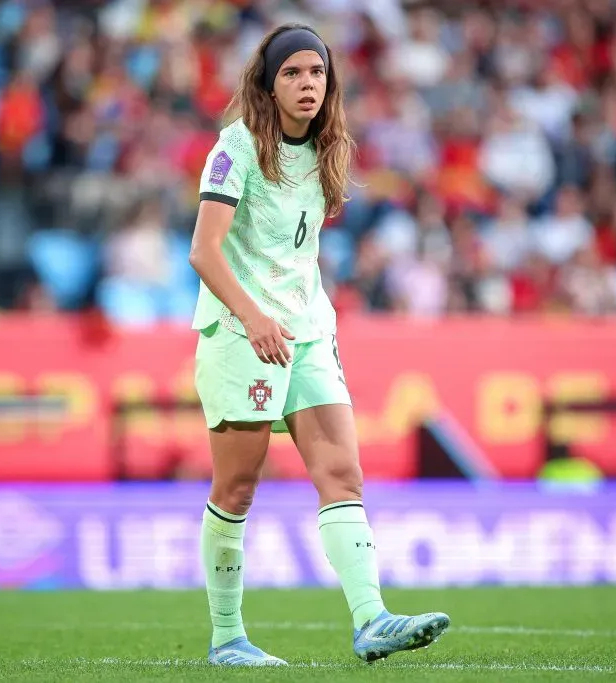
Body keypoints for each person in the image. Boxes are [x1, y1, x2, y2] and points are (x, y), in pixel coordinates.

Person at [188, 23, 450, 667]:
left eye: (317, 73)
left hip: (308, 332)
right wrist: (253, 318)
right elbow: (204, 250)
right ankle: (227, 638)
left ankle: (372, 620)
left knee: (342, 474)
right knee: (238, 487)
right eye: (292, 74)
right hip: (242, 333)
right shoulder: (236, 147)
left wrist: (299, 315)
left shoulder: (332, 148)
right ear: (269, 84)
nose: (307, 85)